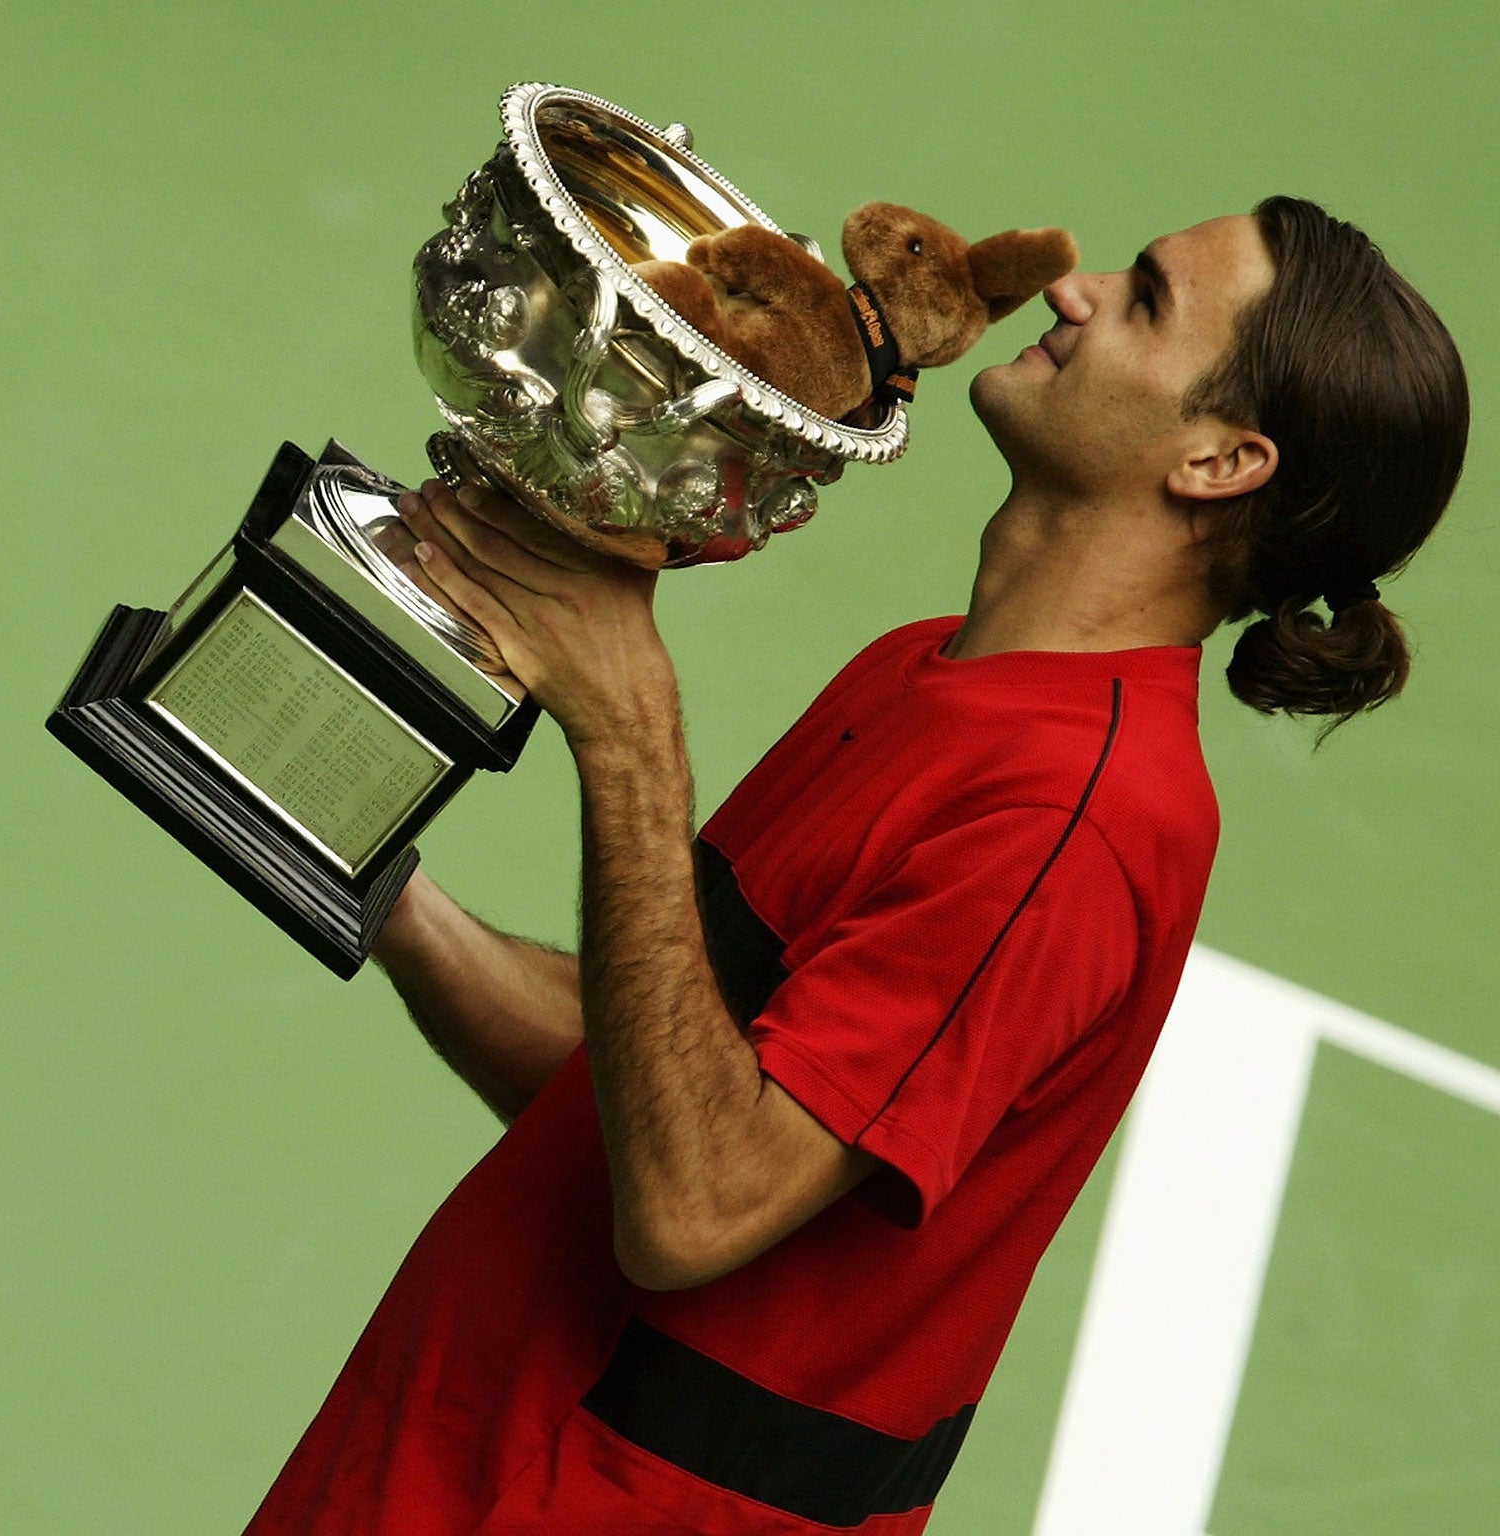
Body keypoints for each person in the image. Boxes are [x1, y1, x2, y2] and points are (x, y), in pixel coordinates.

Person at [240, 198, 1468, 1534]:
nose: (1074, 292)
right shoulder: (924, 671)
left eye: (1149, 300)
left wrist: (631, 726)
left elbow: (697, 1203)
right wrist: (388, 893)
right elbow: (647, 1086)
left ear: (1223, 460)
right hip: (433, 1451)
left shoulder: (1076, 818)